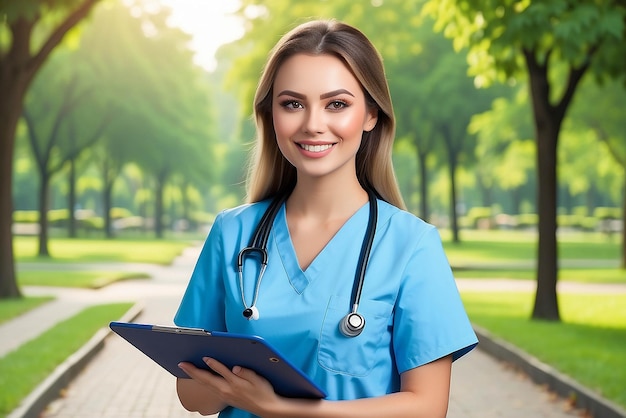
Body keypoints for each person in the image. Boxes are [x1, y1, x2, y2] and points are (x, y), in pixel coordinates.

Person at [173, 19, 478, 418]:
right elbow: (192, 396)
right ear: (271, 115)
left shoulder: (411, 245)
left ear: (371, 114)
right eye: (292, 104)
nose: (313, 124)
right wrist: (228, 385)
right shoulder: (232, 233)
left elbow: (427, 407)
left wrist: (278, 408)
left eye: (337, 104)